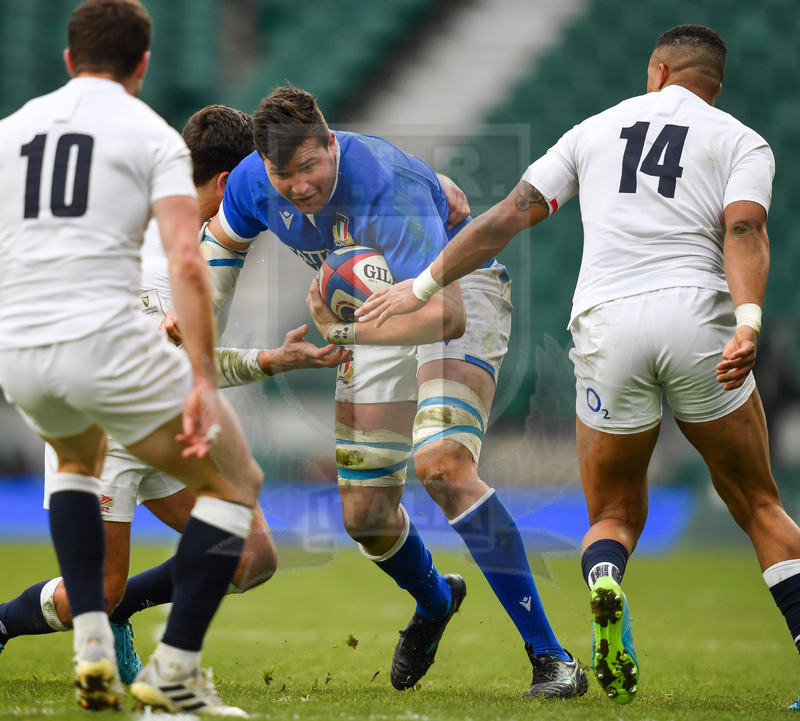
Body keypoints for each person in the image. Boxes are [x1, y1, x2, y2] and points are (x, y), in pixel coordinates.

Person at [358, 23, 800, 708]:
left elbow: (508, 215)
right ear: (713, 84)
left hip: (607, 326)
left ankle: (604, 577)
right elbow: (744, 229)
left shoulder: (596, 128)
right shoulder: (741, 139)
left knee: (614, 509)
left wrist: (419, 286)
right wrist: (746, 321)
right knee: (761, 503)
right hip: (696, 321)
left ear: (656, 72)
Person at [193, 84, 587, 699]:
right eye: (282, 174)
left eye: (309, 167)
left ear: (331, 144)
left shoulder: (387, 187)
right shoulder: (251, 180)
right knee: (365, 517)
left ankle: (551, 659)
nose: (297, 186)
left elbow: (446, 316)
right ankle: (436, 602)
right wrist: (198, 333)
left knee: (443, 465)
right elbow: (219, 243)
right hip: (374, 313)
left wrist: (338, 327)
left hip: (455, 295)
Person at [0, 104, 351, 687]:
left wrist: (274, 359)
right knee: (100, 588)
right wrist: (268, 361)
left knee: (249, 557)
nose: (263, 198)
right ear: (224, 182)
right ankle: (7, 624)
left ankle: (122, 612)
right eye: (253, 184)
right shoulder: (162, 257)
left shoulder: (203, 242)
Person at [0, 2, 264, 715]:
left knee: (77, 467)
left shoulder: (10, 131)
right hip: (106, 343)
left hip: (20, 350)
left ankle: (92, 631)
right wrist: (204, 379)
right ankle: (174, 668)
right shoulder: (151, 136)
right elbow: (185, 252)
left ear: (67, 59)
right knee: (237, 485)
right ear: (143, 66)